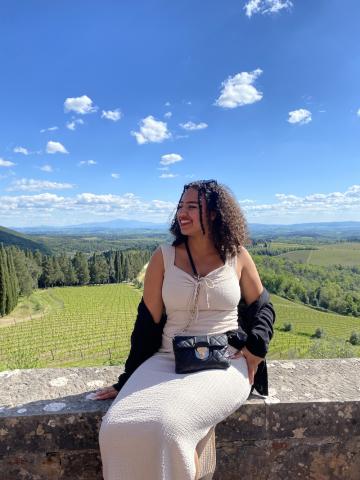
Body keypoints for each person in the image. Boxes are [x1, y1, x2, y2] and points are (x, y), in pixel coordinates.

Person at [95, 179, 275, 480]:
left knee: (170, 426)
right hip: (167, 358)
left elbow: (263, 307)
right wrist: (127, 379)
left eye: (192, 206)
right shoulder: (162, 257)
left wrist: (256, 349)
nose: (182, 213)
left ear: (215, 213)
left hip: (225, 360)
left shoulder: (238, 255)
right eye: (181, 206)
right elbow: (147, 324)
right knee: (115, 426)